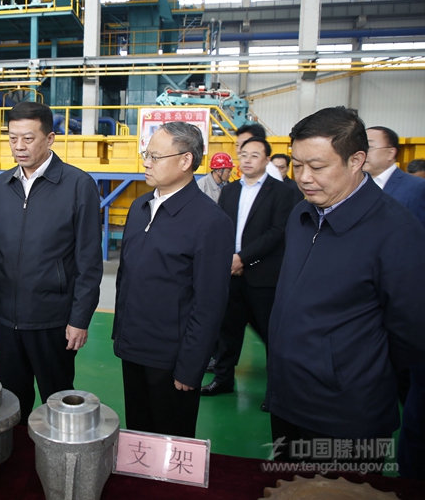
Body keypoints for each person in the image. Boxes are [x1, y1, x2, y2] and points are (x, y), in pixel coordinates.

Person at [267, 106, 425, 465]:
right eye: (297, 165)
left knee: (340, 488)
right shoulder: (302, 213)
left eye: (317, 166)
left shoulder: (397, 232)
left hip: (346, 413)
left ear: (356, 161)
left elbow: (412, 332)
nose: (304, 177)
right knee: (286, 484)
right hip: (288, 399)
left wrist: (347, 365)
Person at [113, 122, 233, 437]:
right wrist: (121, 334)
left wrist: (191, 366)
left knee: (170, 441)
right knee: (139, 435)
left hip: (172, 358)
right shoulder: (140, 207)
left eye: (155, 156)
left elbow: (209, 304)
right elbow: (126, 275)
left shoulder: (210, 222)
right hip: (133, 347)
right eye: (146, 154)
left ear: (185, 161)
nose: (146, 162)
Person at [0, 101, 103, 423]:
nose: (19, 147)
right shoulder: (1, 186)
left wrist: (80, 319)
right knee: (11, 401)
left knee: (57, 399)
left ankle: (57, 454)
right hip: (6, 320)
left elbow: (89, 261)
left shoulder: (78, 186)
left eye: (28, 138)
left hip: (53, 320)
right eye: (12, 138)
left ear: (50, 138)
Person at [201, 137, 295, 402]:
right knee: (227, 331)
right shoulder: (230, 191)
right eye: (243, 155)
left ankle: (276, 391)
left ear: (266, 160)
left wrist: (242, 258)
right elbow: (221, 227)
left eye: (255, 155)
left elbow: (277, 233)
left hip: (263, 277)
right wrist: (228, 260)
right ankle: (223, 380)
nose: (248, 160)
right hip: (232, 275)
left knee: (271, 335)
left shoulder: (283, 193)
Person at [364, 126, 425, 228]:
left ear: (390, 153)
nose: (361, 153)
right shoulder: (352, 184)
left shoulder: (417, 188)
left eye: (369, 147)